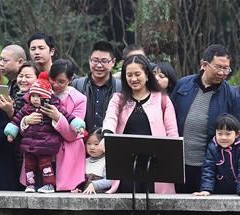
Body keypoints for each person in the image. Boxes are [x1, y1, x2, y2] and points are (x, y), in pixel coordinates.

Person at [171, 44, 240, 192]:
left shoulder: (231, 94)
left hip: (211, 165)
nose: (223, 73)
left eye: (226, 68)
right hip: (180, 162)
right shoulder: (183, 85)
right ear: (204, 64)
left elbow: (239, 129)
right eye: (218, 67)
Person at [103, 54, 178, 194]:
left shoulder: (163, 100)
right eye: (129, 75)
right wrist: (107, 134)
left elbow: (172, 133)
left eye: (138, 74)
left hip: (156, 168)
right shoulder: (118, 99)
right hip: (126, 168)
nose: (133, 79)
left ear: (147, 75)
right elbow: (110, 118)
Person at [4, 71, 84, 193]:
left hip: (48, 145)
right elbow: (16, 119)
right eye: (33, 96)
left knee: (45, 165)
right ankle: (30, 185)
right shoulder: (27, 107)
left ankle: (48, 185)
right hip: (30, 145)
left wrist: (72, 123)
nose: (35, 99)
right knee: (29, 167)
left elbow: (69, 118)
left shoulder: (58, 105)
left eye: (39, 96)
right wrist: (18, 127)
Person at [45, 59, 87, 191]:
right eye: (53, 79)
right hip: (42, 148)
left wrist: (58, 117)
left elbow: (72, 134)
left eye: (61, 81)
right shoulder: (40, 92)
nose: (55, 85)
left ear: (70, 79)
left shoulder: (79, 99)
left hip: (69, 151)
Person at [194, 114, 240, 196]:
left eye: (228, 134)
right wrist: (206, 189)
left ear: (237, 134)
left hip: (239, 190)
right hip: (218, 190)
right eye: (220, 133)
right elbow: (208, 170)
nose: (223, 137)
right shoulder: (212, 147)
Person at [71, 41, 121, 132]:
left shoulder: (120, 88)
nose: (99, 65)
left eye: (104, 61)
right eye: (95, 60)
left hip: (110, 142)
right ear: (89, 60)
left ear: (113, 62)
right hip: (82, 142)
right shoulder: (77, 85)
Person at [74, 128, 111, 193]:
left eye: (96, 144)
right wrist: (78, 188)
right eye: (89, 143)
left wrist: (94, 185)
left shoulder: (106, 162)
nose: (92, 147)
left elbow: (110, 181)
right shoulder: (84, 161)